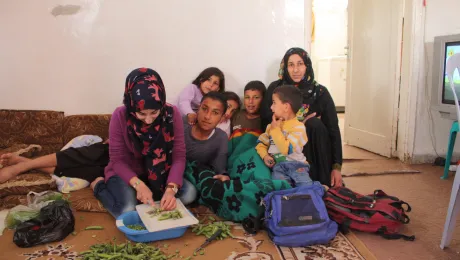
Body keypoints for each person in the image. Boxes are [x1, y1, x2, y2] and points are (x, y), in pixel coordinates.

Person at [92, 68, 196, 218]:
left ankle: (153, 193)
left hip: (160, 172)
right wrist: (139, 185)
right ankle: (99, 186)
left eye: (154, 112)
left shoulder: (172, 114)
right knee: (127, 210)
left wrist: (170, 189)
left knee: (189, 193)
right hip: (127, 173)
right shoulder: (120, 116)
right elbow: (117, 161)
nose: (148, 120)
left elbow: (179, 156)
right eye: (141, 113)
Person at [261, 47, 343, 187]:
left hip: (312, 145)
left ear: (307, 66)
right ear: (285, 67)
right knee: (305, 127)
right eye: (291, 65)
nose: (295, 70)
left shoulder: (320, 92)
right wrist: (297, 124)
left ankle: (320, 180)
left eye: (300, 64)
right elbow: (265, 118)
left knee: (314, 125)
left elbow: (333, 129)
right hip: (283, 147)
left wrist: (337, 168)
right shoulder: (276, 89)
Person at [256, 86, 312, 187]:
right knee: (281, 189)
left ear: (286, 107)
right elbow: (261, 144)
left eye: (274, 103)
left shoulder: (298, 127)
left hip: (297, 166)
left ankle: (319, 188)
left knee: (306, 188)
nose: (271, 107)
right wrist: (265, 156)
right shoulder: (271, 126)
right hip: (277, 168)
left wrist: (275, 130)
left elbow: (287, 149)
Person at [0, 141, 109, 184]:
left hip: (116, 166)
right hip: (112, 150)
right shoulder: (123, 111)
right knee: (86, 154)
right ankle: (20, 167)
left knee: (90, 172)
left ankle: (22, 161)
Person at [183, 92, 230, 182]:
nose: (207, 116)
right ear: (198, 108)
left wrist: (224, 176)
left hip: (192, 180)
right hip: (169, 173)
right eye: (204, 109)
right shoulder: (183, 124)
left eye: (215, 113)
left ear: (222, 118)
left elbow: (220, 169)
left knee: (190, 194)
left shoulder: (221, 137)